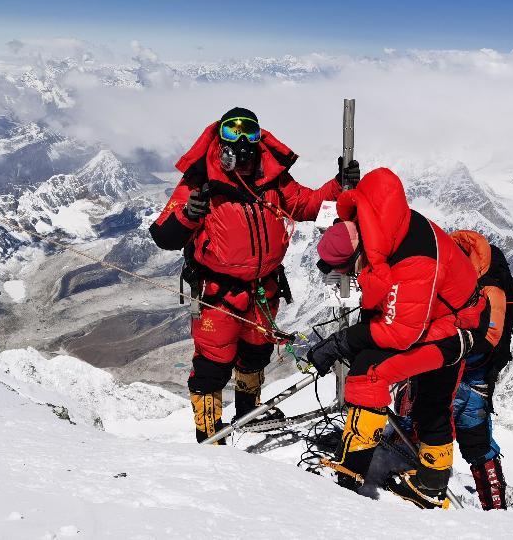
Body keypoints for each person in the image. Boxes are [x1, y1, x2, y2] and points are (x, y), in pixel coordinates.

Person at [149, 107, 359, 443]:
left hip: (264, 288)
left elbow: (306, 205)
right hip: (219, 292)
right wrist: (188, 215)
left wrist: (338, 185)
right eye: (233, 131)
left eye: (250, 131)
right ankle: (208, 432)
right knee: (213, 364)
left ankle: (249, 412)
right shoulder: (200, 181)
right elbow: (164, 235)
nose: (243, 140)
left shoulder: (272, 178)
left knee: (256, 353)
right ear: (219, 139)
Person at [306, 167, 487, 509]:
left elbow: (400, 333)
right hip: (441, 317)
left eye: (348, 271)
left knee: (370, 371)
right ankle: (430, 485)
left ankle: (349, 472)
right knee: (432, 401)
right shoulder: (382, 227)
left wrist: (343, 342)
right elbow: (392, 302)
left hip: (456, 329)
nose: (351, 278)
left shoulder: (413, 261)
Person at [449, 230, 508, 510]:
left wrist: (446, 346)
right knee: (478, 444)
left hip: (465, 376)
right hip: (470, 378)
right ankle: (495, 508)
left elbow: (489, 339)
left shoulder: (488, 290)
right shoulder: (479, 283)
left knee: (422, 429)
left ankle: (496, 510)